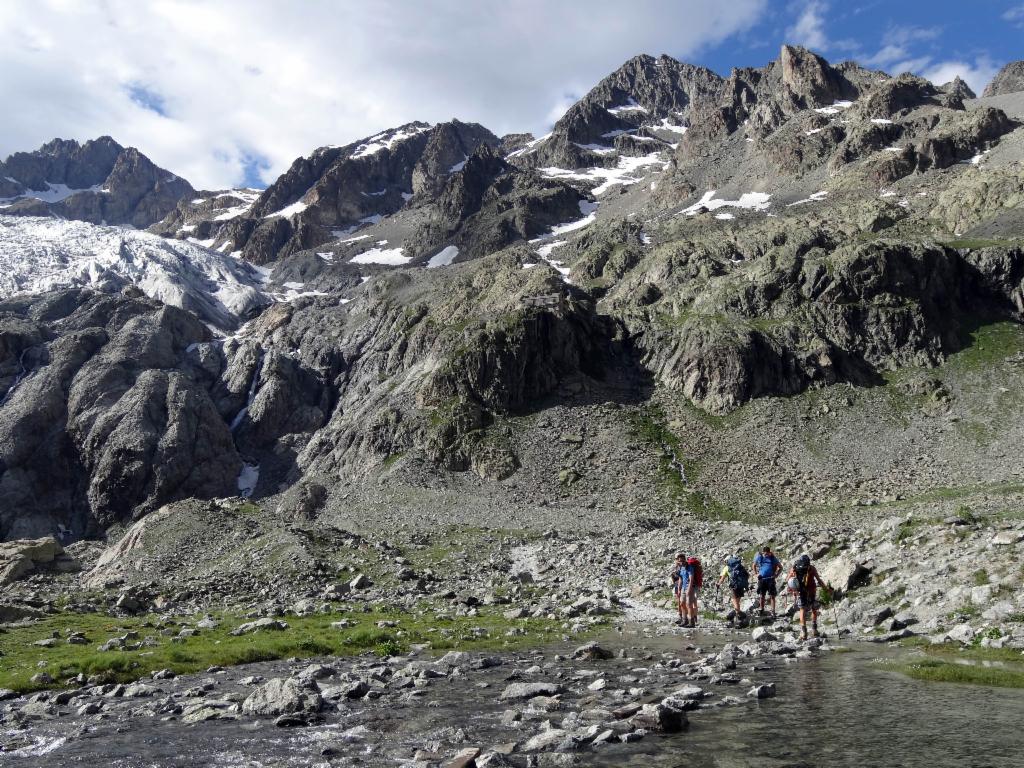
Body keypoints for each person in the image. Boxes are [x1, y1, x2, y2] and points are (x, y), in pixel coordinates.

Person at [789, 554, 829, 640]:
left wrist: (793, 590)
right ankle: (814, 629)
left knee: (802, 610)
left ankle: (804, 632)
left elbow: (789, 580)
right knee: (813, 608)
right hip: (812, 591)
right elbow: (819, 580)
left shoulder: (795, 568)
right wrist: (826, 589)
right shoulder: (811, 568)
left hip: (801, 591)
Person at [717, 555, 749, 625]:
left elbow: (722, 579)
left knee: (735, 603)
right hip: (741, 586)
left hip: (734, 587)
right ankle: (738, 616)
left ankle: (738, 620)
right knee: (737, 602)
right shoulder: (739, 566)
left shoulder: (727, 567)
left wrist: (718, 584)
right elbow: (746, 574)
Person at [752, 545, 783, 616]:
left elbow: (780, 567)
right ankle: (761, 609)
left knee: (772, 595)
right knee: (762, 595)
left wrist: (776, 575)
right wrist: (756, 574)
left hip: (770, 579)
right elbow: (753, 565)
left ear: (769, 552)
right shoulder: (760, 557)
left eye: (766, 553)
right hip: (761, 579)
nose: (765, 554)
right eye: (764, 553)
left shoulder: (772, 558)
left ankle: (773, 611)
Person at [682, 556, 702, 628]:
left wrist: (689, 589)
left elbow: (691, 579)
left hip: (691, 587)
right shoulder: (695, 566)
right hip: (696, 586)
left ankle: (692, 620)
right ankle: (694, 618)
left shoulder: (690, 567)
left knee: (690, 604)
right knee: (694, 603)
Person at [670, 553, 686, 625]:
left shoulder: (683, 567)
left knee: (682, 602)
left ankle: (684, 617)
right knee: (679, 601)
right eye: (676, 559)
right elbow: (672, 575)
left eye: (678, 559)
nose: (678, 561)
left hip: (683, 585)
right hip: (677, 585)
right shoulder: (675, 567)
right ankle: (680, 617)